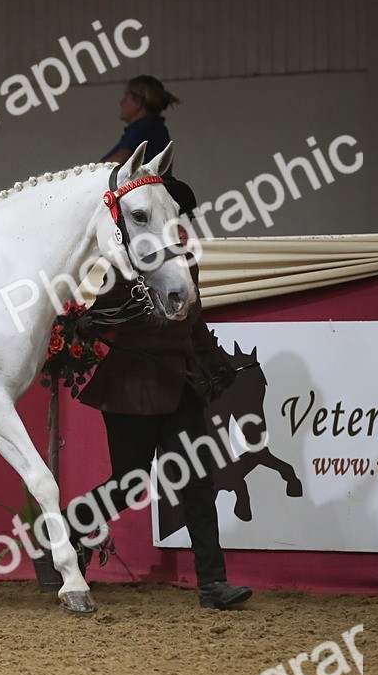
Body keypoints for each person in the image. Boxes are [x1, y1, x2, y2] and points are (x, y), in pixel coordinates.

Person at [67, 178, 252, 610]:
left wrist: (217, 364)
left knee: (199, 482)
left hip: (180, 389)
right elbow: (100, 313)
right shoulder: (129, 263)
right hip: (131, 391)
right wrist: (89, 323)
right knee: (128, 485)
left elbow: (194, 324)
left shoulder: (188, 264)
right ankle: (66, 531)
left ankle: (213, 584)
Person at [101, 75, 180, 167]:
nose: (121, 103)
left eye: (126, 98)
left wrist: (95, 171)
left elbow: (119, 160)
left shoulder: (142, 129)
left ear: (138, 103)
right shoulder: (157, 128)